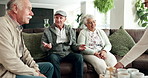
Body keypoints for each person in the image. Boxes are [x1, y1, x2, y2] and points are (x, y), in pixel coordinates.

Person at [0, 0, 54, 78]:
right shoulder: (2, 25)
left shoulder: (17, 28)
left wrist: (35, 68)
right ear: (15, 9)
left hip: (15, 69)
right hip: (6, 73)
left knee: (49, 67)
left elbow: (25, 52)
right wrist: (36, 74)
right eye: (29, 9)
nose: (32, 13)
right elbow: (10, 62)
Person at [40, 10, 86, 78]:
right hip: (55, 53)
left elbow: (73, 45)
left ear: (65, 19)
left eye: (61, 18)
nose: (58, 20)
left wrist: (78, 47)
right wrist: (47, 47)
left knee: (79, 57)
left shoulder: (70, 30)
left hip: (68, 53)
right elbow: (42, 46)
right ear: (54, 18)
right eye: (56, 17)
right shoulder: (48, 31)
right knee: (53, 57)